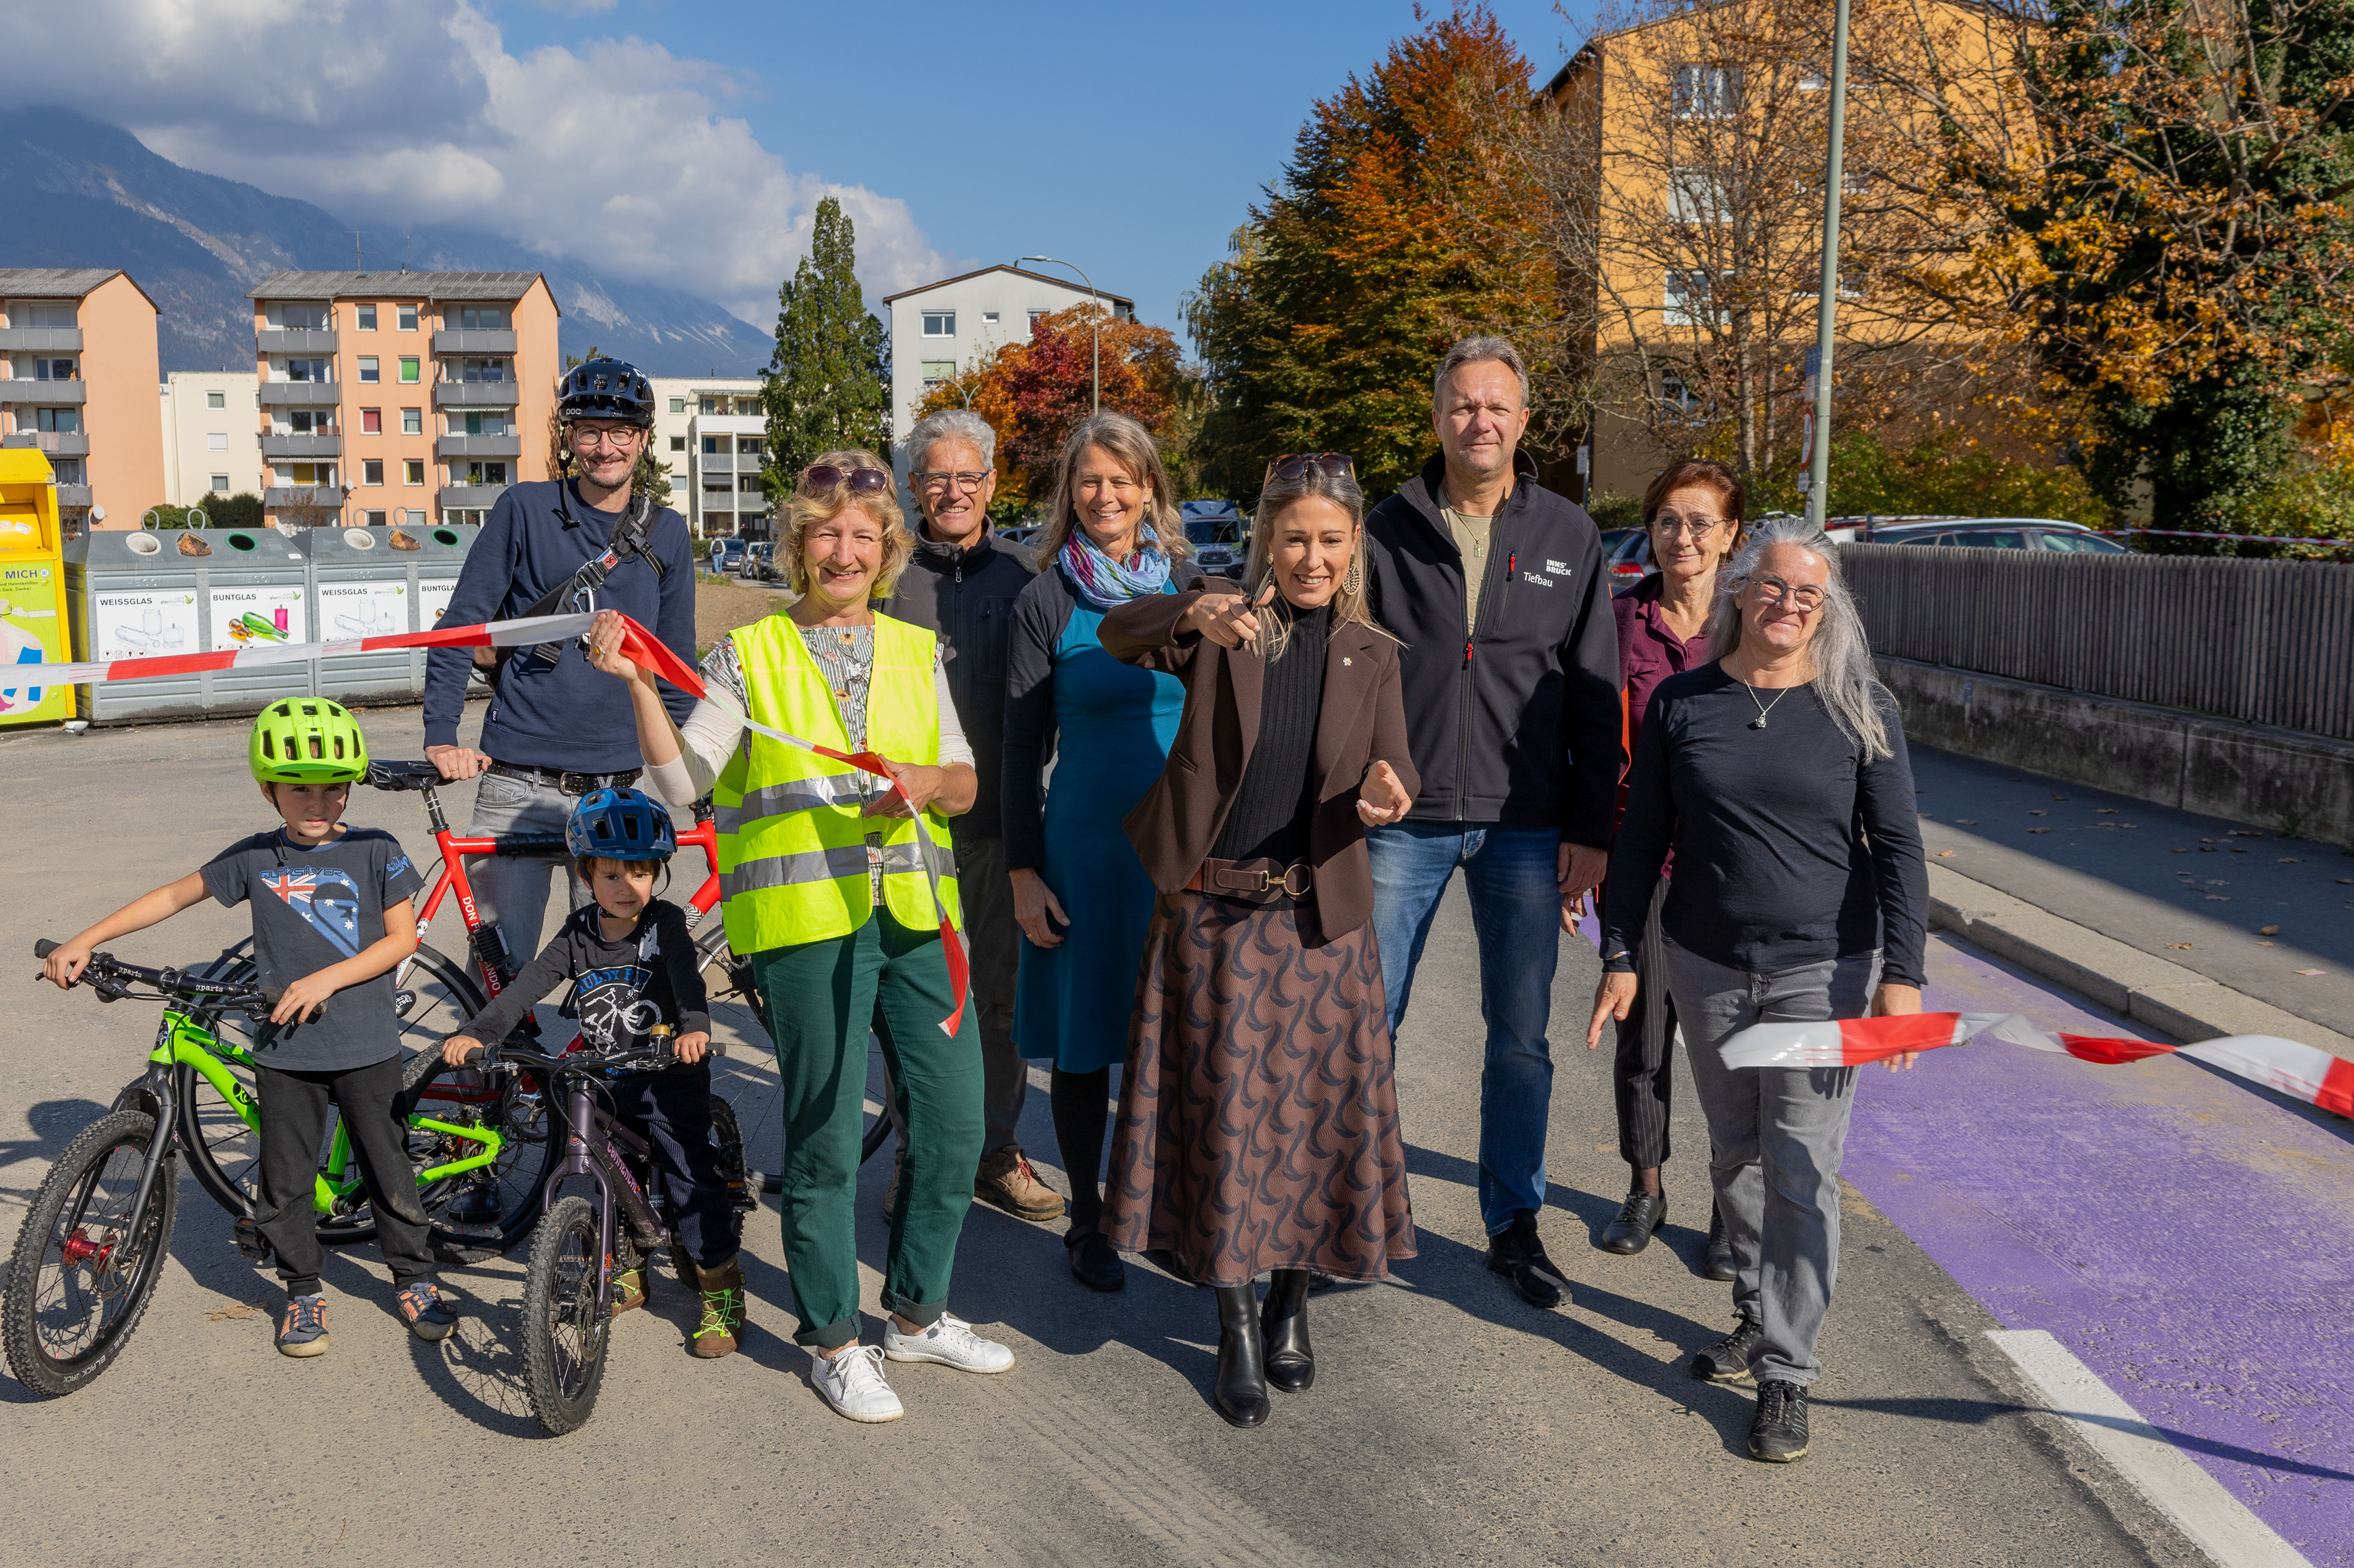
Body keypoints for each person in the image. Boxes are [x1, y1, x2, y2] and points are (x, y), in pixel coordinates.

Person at [589, 450, 1010, 1425]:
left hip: (919, 916)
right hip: (807, 924)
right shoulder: (750, 653)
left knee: (954, 1125)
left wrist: (924, 779)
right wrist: (639, 686)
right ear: (798, 544)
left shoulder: (915, 651)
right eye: (827, 533)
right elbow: (684, 782)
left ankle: (917, 1315)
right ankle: (832, 1339)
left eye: (864, 535)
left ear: (888, 549)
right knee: (825, 1136)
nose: (845, 551)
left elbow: (964, 780)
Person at [1589, 518, 1929, 1465]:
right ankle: (1755, 1309)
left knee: (1802, 1164)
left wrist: (1904, 976)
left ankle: (1788, 1369)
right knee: (1737, 1150)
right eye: (1773, 586)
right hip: (1705, 961)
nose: (1788, 604)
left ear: (1828, 608)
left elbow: (1898, 847)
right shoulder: (1685, 703)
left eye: (1808, 593)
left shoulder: (1859, 705)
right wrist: (1620, 949)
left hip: (1823, 967)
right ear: (1741, 590)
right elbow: (1642, 836)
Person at [1100, 453, 1419, 1429]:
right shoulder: (1223, 625)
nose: (1313, 558)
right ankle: (1236, 1321)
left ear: (1353, 546)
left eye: (1331, 540)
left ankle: (1291, 1304)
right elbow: (1118, 631)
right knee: (1229, 1129)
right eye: (1294, 539)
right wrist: (1189, 612)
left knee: (1313, 1131)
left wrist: (1391, 790)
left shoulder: (1373, 650)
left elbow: (1395, 763)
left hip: (1321, 930)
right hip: (1212, 917)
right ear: (1267, 541)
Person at [41, 700, 449, 1357]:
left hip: (367, 1047)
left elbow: (402, 939)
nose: (317, 803)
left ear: (349, 789)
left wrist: (326, 980)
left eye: (332, 788)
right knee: (284, 1183)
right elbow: (173, 895)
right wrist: (86, 939)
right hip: (286, 1053)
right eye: (298, 789)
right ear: (269, 791)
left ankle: (414, 1278)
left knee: (389, 1170)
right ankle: (303, 1291)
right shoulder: (258, 856)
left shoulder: (377, 849)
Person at [1361, 335, 1622, 1309]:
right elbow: (1349, 665)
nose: (1481, 421)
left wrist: (1590, 828)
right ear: (1438, 419)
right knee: (1368, 1022)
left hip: (1527, 820)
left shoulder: (1570, 534)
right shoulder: (1384, 528)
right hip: (1404, 817)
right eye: (1464, 406)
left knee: (1520, 1036)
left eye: (1497, 406)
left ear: (1523, 421)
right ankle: (1357, 1207)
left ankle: (1514, 1222)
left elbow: (1595, 693)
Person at [1001, 412, 1205, 1294]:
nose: (1106, 495)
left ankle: (1172, 1215)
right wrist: (1023, 872)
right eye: (1089, 480)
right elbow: (1019, 748)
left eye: (1122, 479)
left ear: (1150, 488)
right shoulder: (1047, 599)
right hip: (1084, 847)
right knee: (1085, 1043)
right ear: (1069, 494)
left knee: (1185, 1041)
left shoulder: (1195, 589)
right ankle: (1088, 1221)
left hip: (1184, 849)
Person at [437, 788, 743, 1358]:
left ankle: (721, 1291)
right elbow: (529, 985)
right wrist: (481, 1031)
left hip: (667, 1076)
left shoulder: (666, 925)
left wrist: (694, 1028)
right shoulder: (579, 932)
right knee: (613, 1176)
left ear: (658, 873)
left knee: (691, 1179)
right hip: (605, 1079)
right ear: (586, 875)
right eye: (611, 875)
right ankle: (628, 1270)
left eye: (641, 873)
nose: (627, 887)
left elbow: (687, 979)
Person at [421, 356, 697, 977]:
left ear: (643, 439)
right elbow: (461, 627)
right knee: (500, 979)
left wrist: (692, 771)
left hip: (617, 790)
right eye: (590, 432)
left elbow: (676, 663)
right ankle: (497, 1046)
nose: (606, 447)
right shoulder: (524, 509)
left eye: (621, 431)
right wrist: (441, 735)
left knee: (614, 982)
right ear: (569, 438)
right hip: (517, 781)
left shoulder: (668, 533)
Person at [877, 409, 1061, 1224]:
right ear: (914, 487)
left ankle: (994, 1153)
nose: (952, 491)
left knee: (998, 1001)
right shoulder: (885, 577)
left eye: (968, 476)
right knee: (916, 1002)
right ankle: (919, 1156)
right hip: (904, 829)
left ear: (991, 483)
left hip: (999, 827)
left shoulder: (1026, 578)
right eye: (936, 477)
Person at [1593, 459, 1744, 1272]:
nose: (1682, 537)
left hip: (1732, 869)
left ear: (1731, 535)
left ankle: (1732, 1206)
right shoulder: (1619, 622)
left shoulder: (1753, 623)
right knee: (1644, 1037)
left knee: (1729, 1050)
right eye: (1667, 521)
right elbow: (1587, 742)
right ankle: (1646, 1188)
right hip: (1644, 860)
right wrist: (1586, 848)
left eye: (1700, 522)